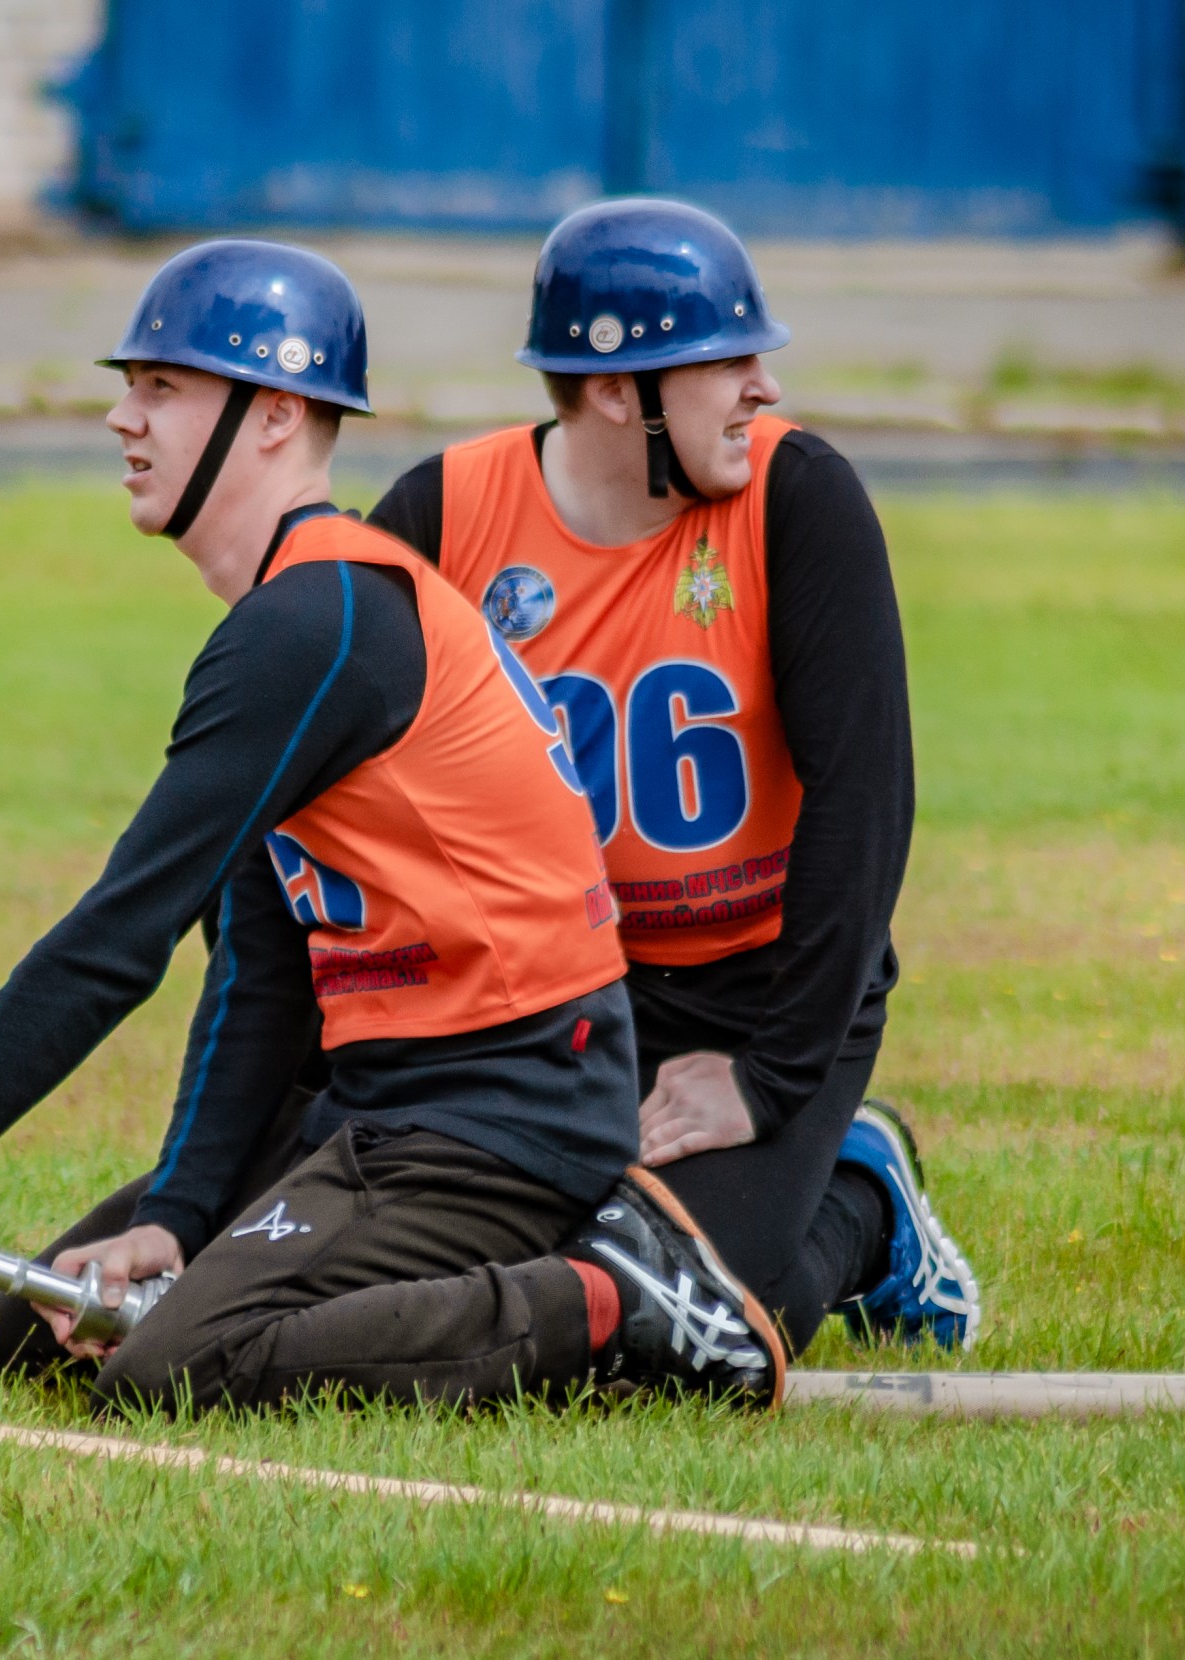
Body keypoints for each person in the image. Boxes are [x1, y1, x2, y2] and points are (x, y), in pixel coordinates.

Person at [0, 238, 784, 1411]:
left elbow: (118, 936)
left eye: (162, 387)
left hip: (507, 1114)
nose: (121, 418)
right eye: (130, 384)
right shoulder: (288, 617)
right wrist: (176, 1216)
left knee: (169, 1370)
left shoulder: (317, 619)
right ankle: (303, 1262)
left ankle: (610, 1299)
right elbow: (257, 967)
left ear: (273, 416)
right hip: (376, 1103)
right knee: (8, 1346)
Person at [364, 199, 980, 1354]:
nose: (762, 386)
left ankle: (865, 1205)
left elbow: (865, 804)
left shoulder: (799, 501)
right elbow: (345, 799)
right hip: (554, 994)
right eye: (724, 361)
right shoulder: (441, 517)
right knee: (503, 1264)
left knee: (686, 1330)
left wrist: (770, 1076)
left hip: (766, 990)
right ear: (615, 389)